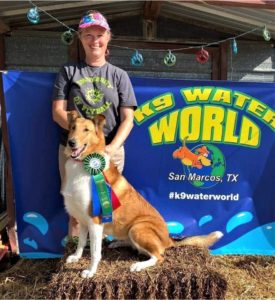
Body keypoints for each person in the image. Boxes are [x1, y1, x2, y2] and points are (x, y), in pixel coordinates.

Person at [52, 10, 137, 236]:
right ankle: (74, 257)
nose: (94, 41)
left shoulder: (120, 76)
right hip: (73, 153)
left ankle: (99, 261)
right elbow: (57, 112)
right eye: (88, 35)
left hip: (108, 153)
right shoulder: (68, 71)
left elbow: (128, 119)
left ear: (108, 37)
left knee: (105, 211)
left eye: (99, 35)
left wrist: (110, 148)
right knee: (76, 212)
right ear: (80, 38)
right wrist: (79, 139)